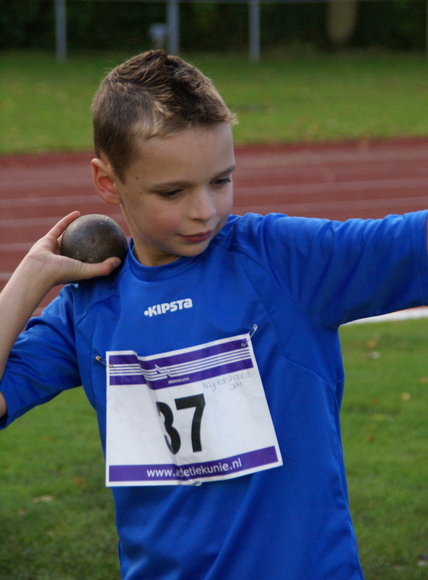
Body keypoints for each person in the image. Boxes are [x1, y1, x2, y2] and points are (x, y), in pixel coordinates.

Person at [0, 50, 427, 580]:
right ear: (108, 183)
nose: (205, 209)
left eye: (220, 181)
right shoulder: (88, 311)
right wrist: (29, 278)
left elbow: (412, 243)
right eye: (173, 191)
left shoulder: (284, 263)